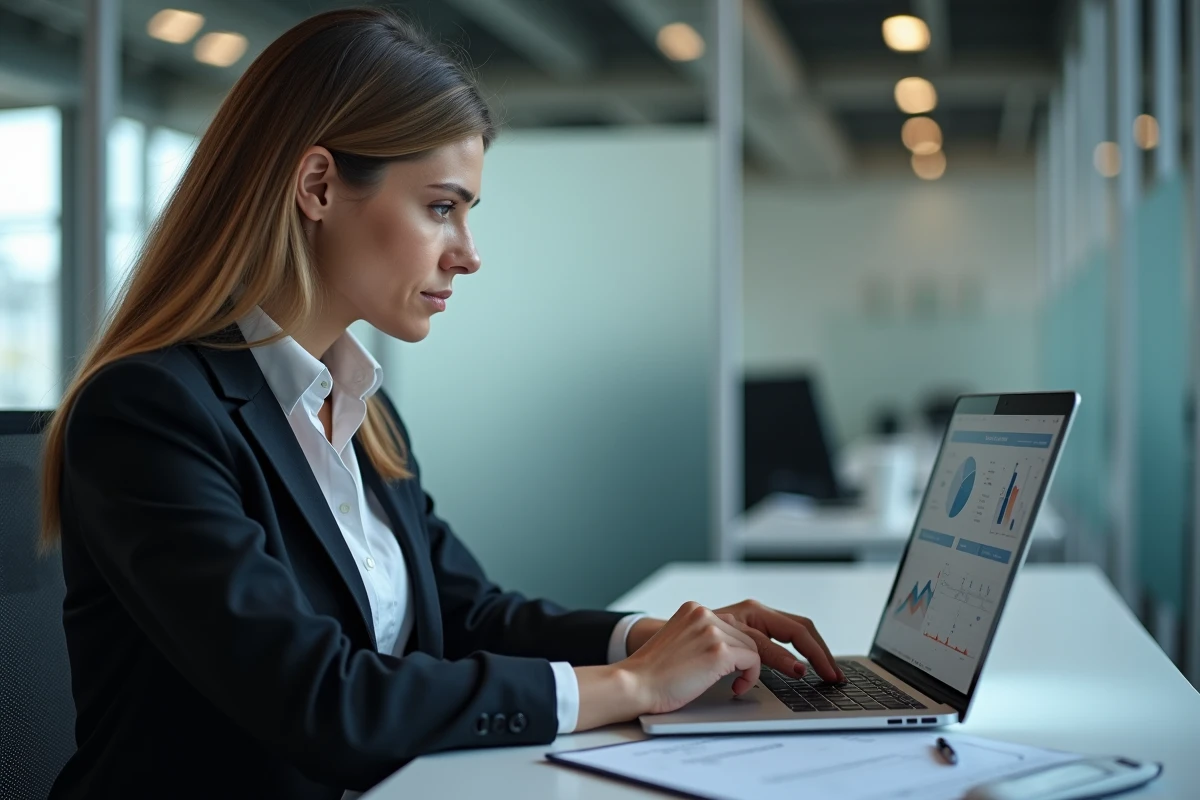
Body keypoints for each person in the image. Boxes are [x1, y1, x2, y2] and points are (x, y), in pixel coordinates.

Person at [40, 8, 843, 799]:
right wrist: (632, 686)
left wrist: (655, 639)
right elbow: (322, 701)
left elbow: (465, 615)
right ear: (319, 185)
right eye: (440, 207)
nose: (468, 255)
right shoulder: (150, 412)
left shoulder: (356, 408)